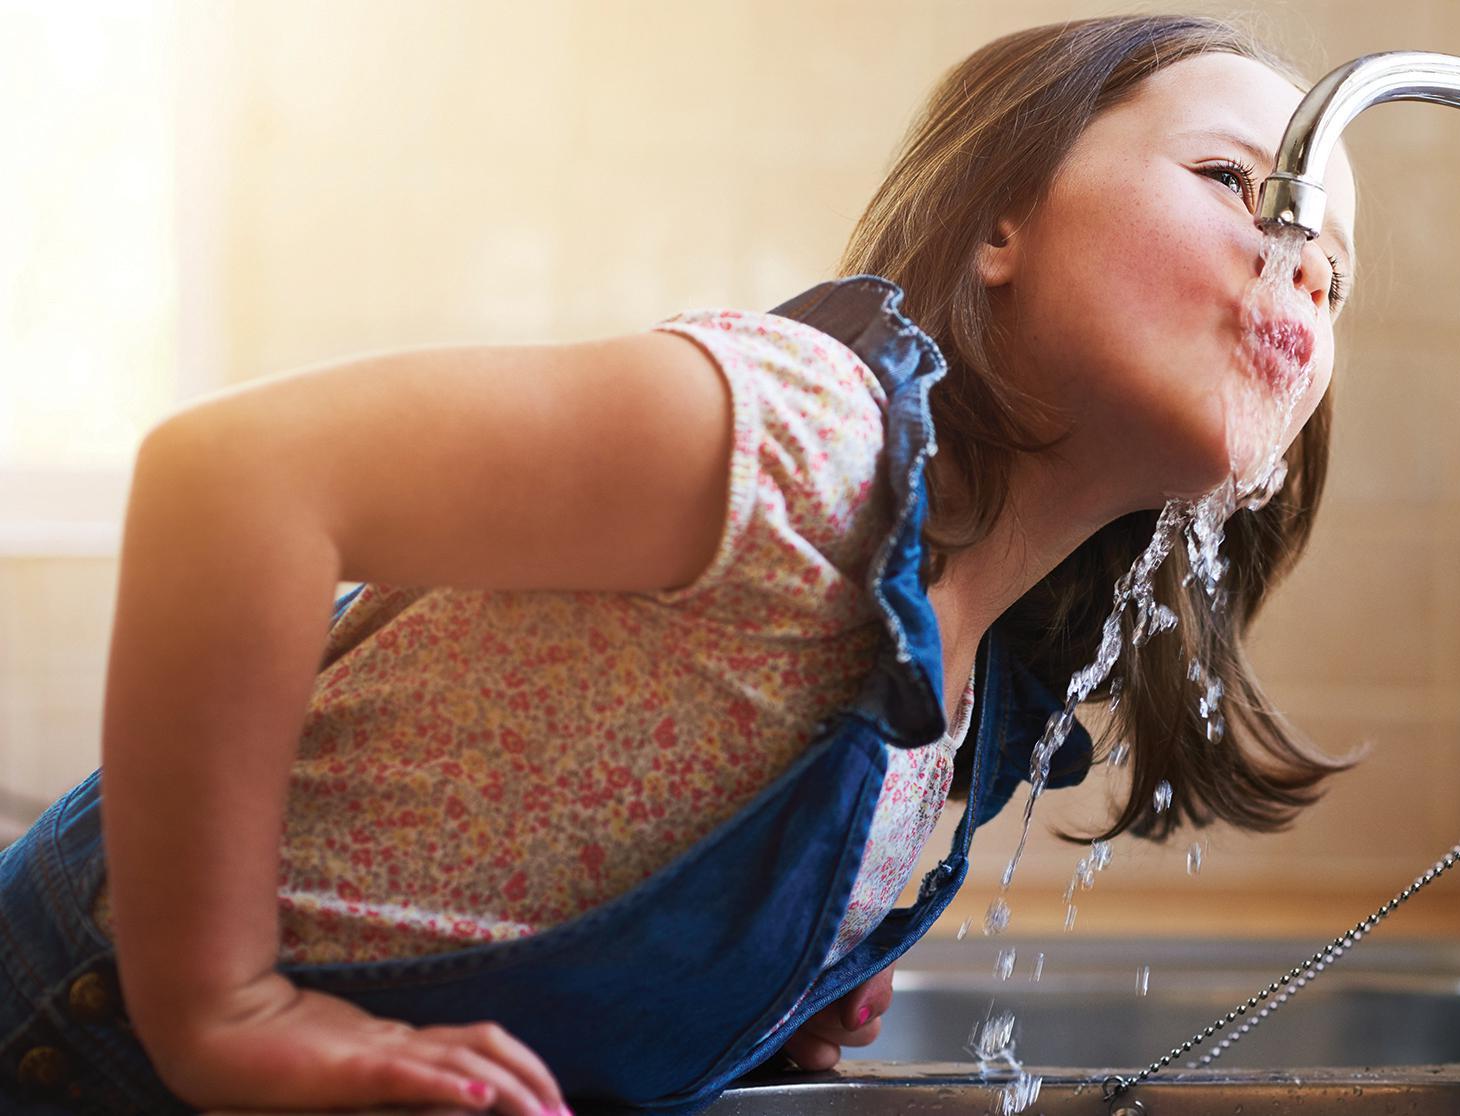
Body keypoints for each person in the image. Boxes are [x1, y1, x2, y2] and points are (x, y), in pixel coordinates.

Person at [0, 13, 1357, 1115]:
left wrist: (768, 983)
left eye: (1337, 278)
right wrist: (219, 1008)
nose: (1297, 267)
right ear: (1001, 221)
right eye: (1235, 183)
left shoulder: (973, 697)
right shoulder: (806, 439)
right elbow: (230, 478)